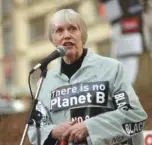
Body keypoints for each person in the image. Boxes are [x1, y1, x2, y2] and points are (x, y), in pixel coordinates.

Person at [28, 9, 147, 145]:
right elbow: (34, 129)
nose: (66, 35)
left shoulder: (111, 68)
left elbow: (134, 115)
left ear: (82, 35)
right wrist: (53, 131)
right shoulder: (45, 81)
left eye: (72, 29)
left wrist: (90, 127)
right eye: (59, 31)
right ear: (53, 39)